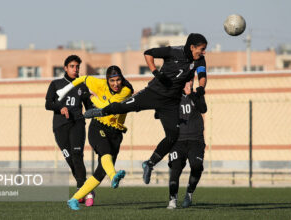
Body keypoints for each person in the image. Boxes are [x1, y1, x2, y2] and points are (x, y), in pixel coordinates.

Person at [74, 33, 208, 184]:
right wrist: (156, 72)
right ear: (192, 47)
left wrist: (201, 88)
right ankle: (101, 111)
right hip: (153, 93)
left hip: (170, 103)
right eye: (202, 49)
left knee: (173, 136)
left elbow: (202, 74)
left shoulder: (200, 59)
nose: (203, 52)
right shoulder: (173, 51)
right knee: (125, 106)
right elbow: (148, 53)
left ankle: (149, 164)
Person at [61, 65, 133, 210]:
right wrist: (64, 90)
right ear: (107, 80)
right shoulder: (100, 83)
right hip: (98, 127)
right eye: (112, 81)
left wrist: (92, 98)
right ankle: (113, 176)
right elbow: (83, 79)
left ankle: (73, 199)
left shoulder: (126, 90)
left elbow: (108, 106)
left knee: (100, 173)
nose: (115, 84)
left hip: (116, 133)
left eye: (118, 80)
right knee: (105, 152)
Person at [45, 55, 94, 206]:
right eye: (72, 66)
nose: (75, 69)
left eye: (77, 66)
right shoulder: (56, 84)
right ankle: (87, 189)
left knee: (77, 154)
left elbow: (89, 107)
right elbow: (48, 104)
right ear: (65, 68)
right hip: (60, 126)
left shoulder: (82, 85)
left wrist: (97, 104)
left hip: (77, 124)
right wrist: (61, 107)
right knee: (70, 158)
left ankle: (81, 189)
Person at [166, 81, 207, 209]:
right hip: (177, 140)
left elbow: (203, 108)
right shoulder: (173, 97)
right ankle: (172, 199)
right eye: (185, 80)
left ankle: (189, 194)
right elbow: (158, 114)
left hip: (196, 140)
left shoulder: (197, 94)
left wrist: (192, 95)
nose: (188, 83)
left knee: (196, 165)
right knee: (175, 169)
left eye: (190, 80)